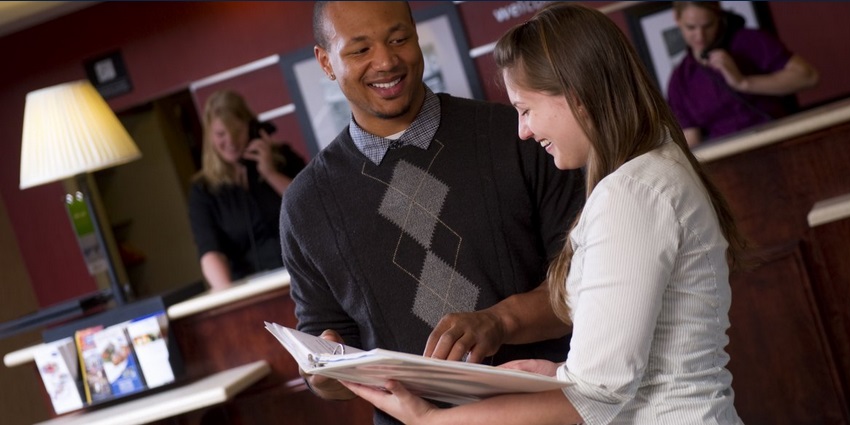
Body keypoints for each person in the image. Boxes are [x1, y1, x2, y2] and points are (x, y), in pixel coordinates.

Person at [342, 2, 748, 424]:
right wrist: (558, 374)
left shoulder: (631, 194)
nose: (524, 130)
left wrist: (428, 419)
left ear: (577, 96)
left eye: (526, 109)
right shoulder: (649, 173)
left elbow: (593, 398)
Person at [280, 1, 584, 424]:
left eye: (399, 39)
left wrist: (501, 321)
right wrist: (325, 374)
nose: (386, 61)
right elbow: (325, 344)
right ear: (326, 62)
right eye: (360, 50)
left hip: (552, 412)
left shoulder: (518, 136)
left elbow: (588, 286)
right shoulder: (305, 205)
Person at [187, 90, 305, 290]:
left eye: (237, 132)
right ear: (210, 137)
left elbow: (311, 208)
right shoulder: (203, 190)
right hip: (249, 286)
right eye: (221, 134)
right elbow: (210, 251)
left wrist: (270, 173)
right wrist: (229, 298)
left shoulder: (284, 159)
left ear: (251, 128)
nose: (231, 142)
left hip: (304, 274)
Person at [667, 1, 819, 147]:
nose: (700, 36)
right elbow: (692, 141)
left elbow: (809, 77)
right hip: (728, 164)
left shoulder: (750, 41)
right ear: (677, 19)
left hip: (779, 140)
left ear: (718, 14)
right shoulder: (679, 81)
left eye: (708, 26)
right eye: (691, 28)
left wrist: (744, 82)